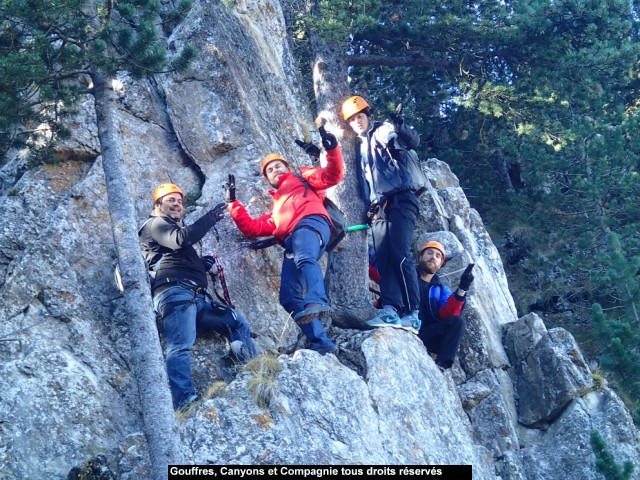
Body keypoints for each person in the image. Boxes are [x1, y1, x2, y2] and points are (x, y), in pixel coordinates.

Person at [224, 127, 343, 355]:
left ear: (287, 168)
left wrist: (331, 149)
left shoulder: (302, 177)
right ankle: (321, 342)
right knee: (288, 297)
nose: (275, 170)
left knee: (305, 256)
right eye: (270, 170)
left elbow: (332, 175)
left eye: (278, 165)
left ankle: (317, 300)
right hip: (294, 240)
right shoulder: (276, 213)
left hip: (311, 224)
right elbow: (251, 228)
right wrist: (232, 203)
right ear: (267, 179)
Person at [139, 183, 257, 410]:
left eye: (179, 201)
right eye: (171, 200)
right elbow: (179, 240)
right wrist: (210, 217)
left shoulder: (168, 230)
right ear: (158, 204)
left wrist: (202, 265)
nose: (177, 204)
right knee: (180, 345)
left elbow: (176, 254)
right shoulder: (155, 224)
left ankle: (250, 368)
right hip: (175, 294)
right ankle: (184, 400)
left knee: (236, 320)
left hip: (194, 296)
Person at [342, 95, 423, 332]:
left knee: (400, 254)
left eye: (360, 116)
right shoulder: (359, 147)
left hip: (401, 198)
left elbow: (409, 141)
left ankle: (413, 312)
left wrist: (399, 125)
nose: (357, 121)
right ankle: (390, 309)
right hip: (379, 208)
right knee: (385, 260)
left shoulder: (382, 131)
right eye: (352, 119)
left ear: (368, 115)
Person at [416, 240, 474, 371]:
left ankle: (442, 365)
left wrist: (462, 288)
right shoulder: (407, 275)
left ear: (441, 264)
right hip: (401, 326)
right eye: (429, 253)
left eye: (438, 256)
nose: (433, 257)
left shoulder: (441, 290)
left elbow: (447, 314)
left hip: (425, 334)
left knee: (458, 321)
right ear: (420, 257)